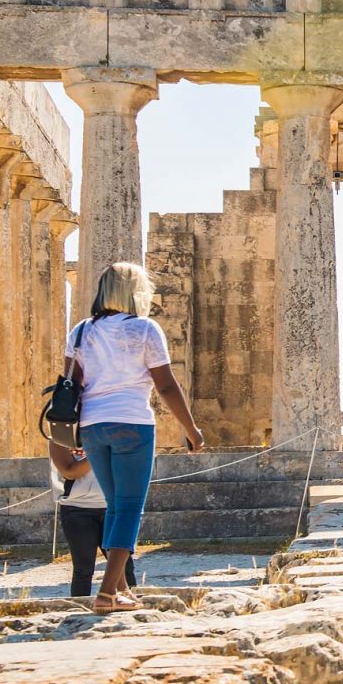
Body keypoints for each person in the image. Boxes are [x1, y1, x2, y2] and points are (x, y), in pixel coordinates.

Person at [67, 262, 203, 613]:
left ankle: (123, 590)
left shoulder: (81, 331)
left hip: (92, 425)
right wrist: (191, 429)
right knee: (129, 507)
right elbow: (166, 385)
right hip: (131, 423)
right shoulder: (144, 329)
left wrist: (75, 431)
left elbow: (74, 384)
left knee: (115, 505)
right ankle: (108, 592)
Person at [47, 441, 137, 598]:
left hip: (113, 506)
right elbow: (69, 472)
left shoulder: (112, 431)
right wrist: (100, 452)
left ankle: (131, 603)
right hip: (77, 510)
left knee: (125, 566)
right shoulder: (60, 436)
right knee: (83, 568)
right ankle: (80, 612)